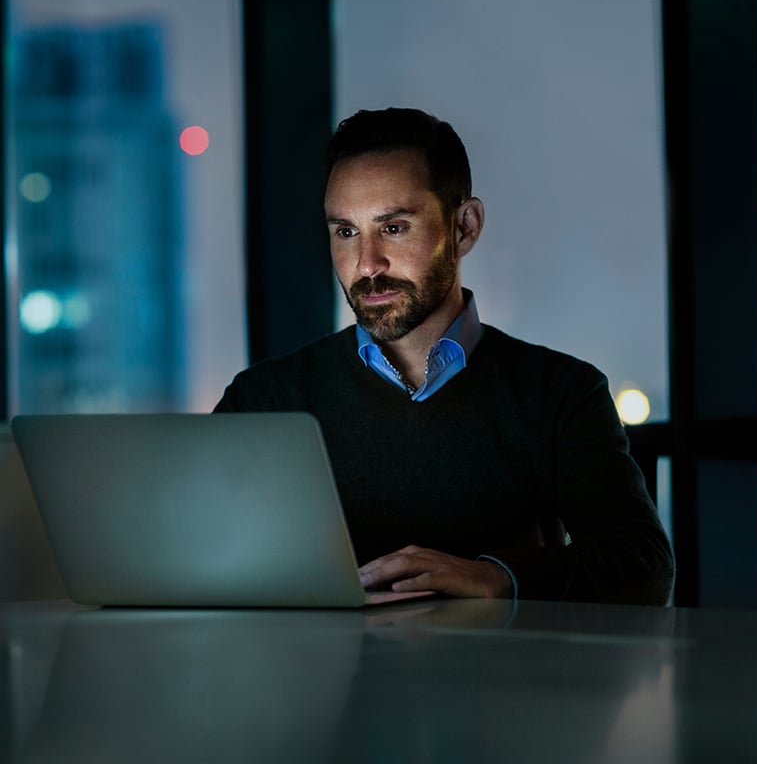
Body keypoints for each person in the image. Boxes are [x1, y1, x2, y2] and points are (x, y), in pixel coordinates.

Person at [214, 107, 674, 605]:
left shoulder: (561, 392)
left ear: (465, 226)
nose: (367, 264)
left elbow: (642, 566)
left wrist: (495, 577)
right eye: (346, 232)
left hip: (499, 679)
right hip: (324, 679)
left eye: (393, 228)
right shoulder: (263, 398)